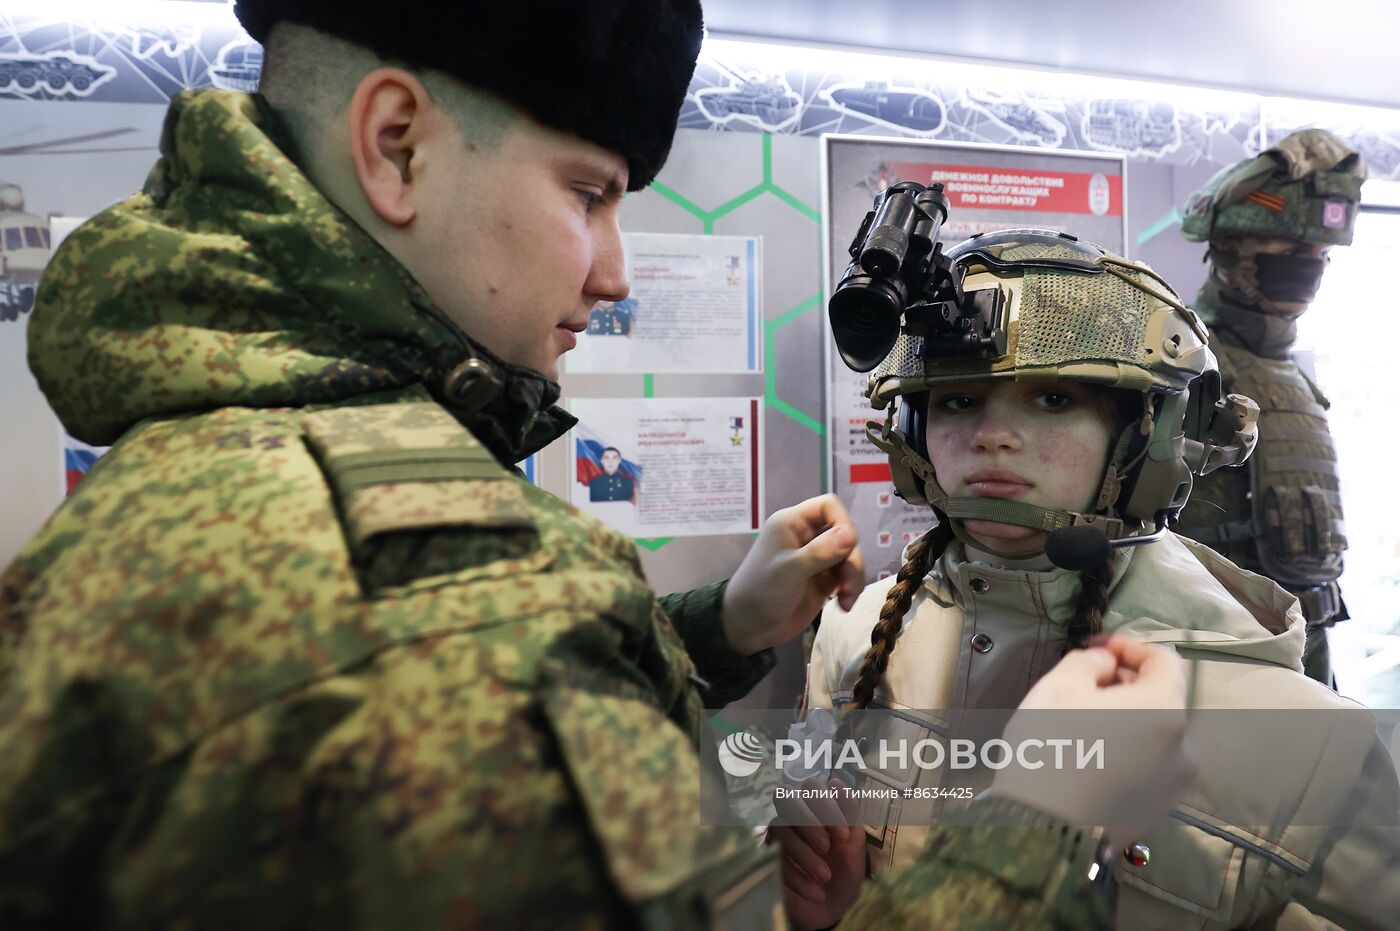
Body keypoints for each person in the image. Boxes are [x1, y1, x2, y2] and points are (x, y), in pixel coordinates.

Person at [0, 5, 1192, 928]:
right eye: (588, 196)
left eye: (1051, 403)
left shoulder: (214, 452)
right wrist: (1047, 816)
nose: (615, 271)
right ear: (396, 145)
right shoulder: (442, 609)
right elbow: (449, 669)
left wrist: (716, 627)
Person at [796, 229, 1400, 928]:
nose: (993, 435)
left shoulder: (1302, 733)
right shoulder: (854, 629)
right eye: (958, 401)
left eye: (1052, 400)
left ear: (1147, 437)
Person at [1175, 129, 1365, 687]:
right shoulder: (1181, 360)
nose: (1307, 267)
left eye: (1318, 254)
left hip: (1304, 655)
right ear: (1231, 251)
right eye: (1287, 252)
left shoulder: (1292, 373)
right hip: (1217, 663)